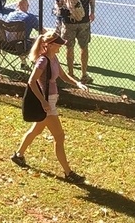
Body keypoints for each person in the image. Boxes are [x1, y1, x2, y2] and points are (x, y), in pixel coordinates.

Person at [11, 30, 87, 183]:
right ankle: (68, 172)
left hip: (50, 101)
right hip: (47, 104)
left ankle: (18, 156)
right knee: (59, 136)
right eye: (59, 44)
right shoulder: (43, 61)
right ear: (51, 45)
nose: (61, 46)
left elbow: (63, 76)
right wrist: (44, 102)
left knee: (36, 130)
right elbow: (32, 82)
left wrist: (77, 83)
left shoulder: (53, 58)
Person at [33, 0, 96, 82]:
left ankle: (71, 74)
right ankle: (84, 75)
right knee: (84, 47)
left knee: (69, 47)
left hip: (68, 20)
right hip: (84, 20)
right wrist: (92, 12)